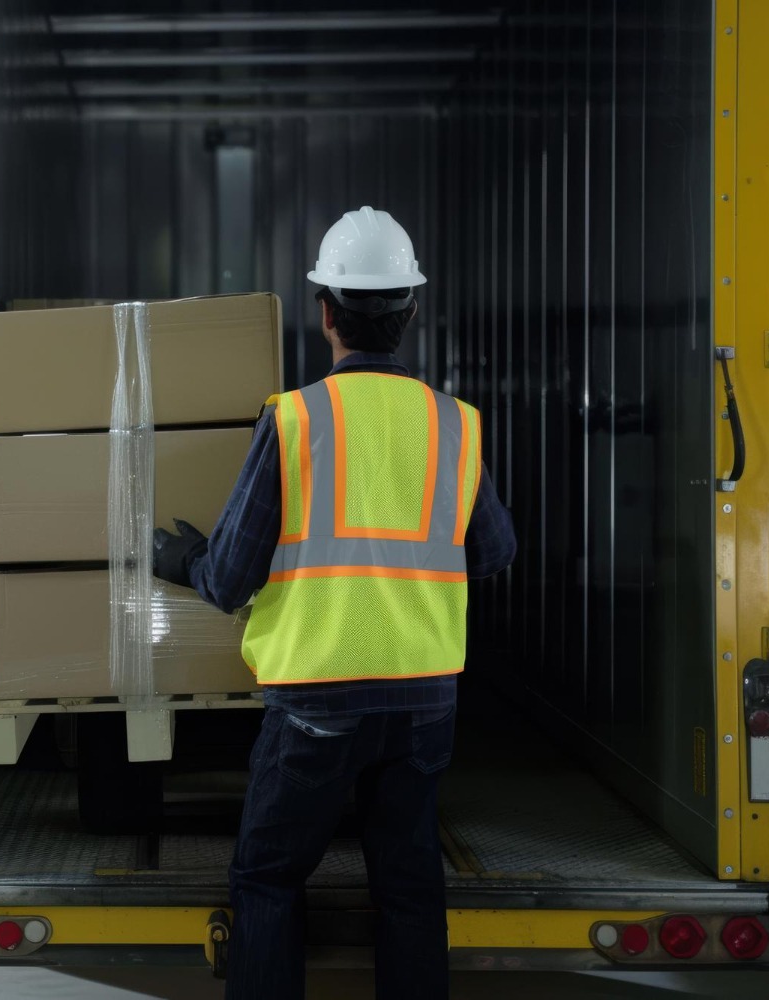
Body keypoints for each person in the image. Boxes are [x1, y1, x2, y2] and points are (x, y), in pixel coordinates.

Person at [152, 208, 516, 1000]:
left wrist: (179, 558)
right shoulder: (454, 424)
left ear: (326, 313)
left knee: (268, 878)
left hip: (317, 698)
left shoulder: (295, 419)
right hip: (422, 702)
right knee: (410, 889)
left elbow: (229, 579)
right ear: (410, 312)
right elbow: (494, 551)